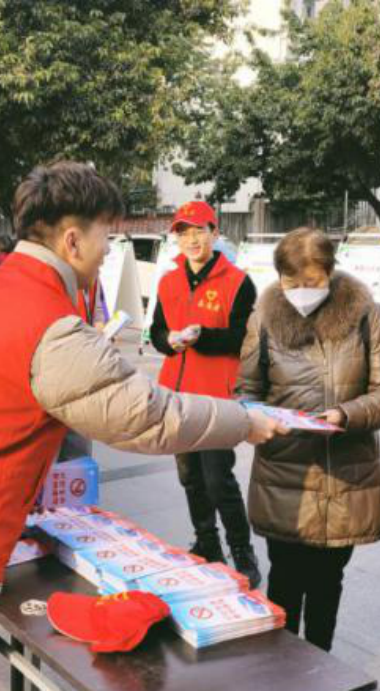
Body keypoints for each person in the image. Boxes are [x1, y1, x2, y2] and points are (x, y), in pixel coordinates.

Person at [0, 162, 286, 689]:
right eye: (105, 235)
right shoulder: (47, 323)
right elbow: (150, 417)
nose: (108, 250)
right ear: (72, 240)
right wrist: (245, 420)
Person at [234, 228, 380, 652]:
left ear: (329, 273)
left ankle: (320, 668)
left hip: (343, 474)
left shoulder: (367, 315)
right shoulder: (264, 317)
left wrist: (346, 415)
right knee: (285, 580)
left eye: (311, 283)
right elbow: (245, 390)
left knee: (328, 582)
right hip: (284, 470)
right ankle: (280, 671)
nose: (301, 293)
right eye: (292, 284)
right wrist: (258, 417)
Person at [148, 200, 263, 586]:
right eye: (184, 232)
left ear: (215, 233)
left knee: (218, 479)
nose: (192, 239)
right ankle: (207, 542)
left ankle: (242, 552)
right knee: (190, 477)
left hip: (216, 398)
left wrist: (202, 337)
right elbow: (156, 332)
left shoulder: (238, 282)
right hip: (176, 396)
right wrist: (170, 341)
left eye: (199, 231)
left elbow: (244, 339)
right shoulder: (167, 281)